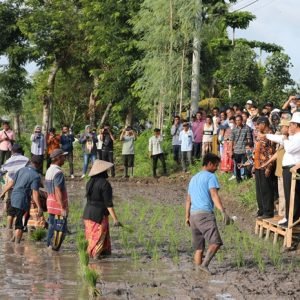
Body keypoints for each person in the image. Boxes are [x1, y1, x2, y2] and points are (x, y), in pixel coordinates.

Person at [185, 153, 230, 274]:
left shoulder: (193, 178)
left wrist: (187, 216)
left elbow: (188, 200)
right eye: (216, 165)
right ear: (209, 164)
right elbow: (214, 195)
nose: (216, 168)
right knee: (216, 242)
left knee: (199, 248)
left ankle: (198, 274)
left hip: (193, 216)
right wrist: (223, 211)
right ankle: (204, 265)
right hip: (204, 215)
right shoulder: (211, 177)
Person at [264, 112, 300, 225]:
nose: (290, 127)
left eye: (291, 124)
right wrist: (266, 136)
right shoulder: (293, 137)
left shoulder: (298, 138)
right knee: (288, 194)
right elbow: (281, 139)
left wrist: (284, 138)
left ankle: (292, 218)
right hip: (287, 169)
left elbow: (289, 148)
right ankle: (288, 217)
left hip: (293, 169)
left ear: (296, 125)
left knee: (293, 195)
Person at [83, 160, 121, 258]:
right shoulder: (105, 184)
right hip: (99, 216)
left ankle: (90, 257)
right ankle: (96, 259)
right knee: (98, 238)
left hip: (88, 214)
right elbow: (108, 204)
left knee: (90, 238)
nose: (107, 172)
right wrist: (115, 219)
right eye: (106, 170)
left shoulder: (89, 183)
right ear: (102, 172)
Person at [1, 156, 42, 243]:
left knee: (15, 217)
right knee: (20, 225)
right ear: (39, 165)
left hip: (13, 197)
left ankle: (12, 239)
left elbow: (11, 183)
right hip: (22, 200)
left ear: (31, 162)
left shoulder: (21, 169)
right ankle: (17, 246)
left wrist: (3, 192)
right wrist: (39, 207)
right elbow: (35, 193)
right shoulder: (36, 176)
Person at [0, 144, 29, 230]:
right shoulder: (26, 160)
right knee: (20, 211)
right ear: (21, 151)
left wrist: (3, 183)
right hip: (24, 189)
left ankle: (9, 231)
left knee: (10, 212)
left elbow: (1, 172)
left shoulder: (9, 161)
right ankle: (19, 230)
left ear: (12, 151)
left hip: (11, 189)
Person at [45, 149, 69, 250]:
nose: (65, 158)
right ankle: (54, 249)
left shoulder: (49, 170)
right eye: (63, 156)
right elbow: (58, 190)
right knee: (60, 229)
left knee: (51, 226)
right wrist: (62, 207)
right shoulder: (58, 172)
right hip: (57, 204)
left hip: (50, 202)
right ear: (58, 158)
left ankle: (49, 246)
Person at [254, 117, 276, 218]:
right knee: (259, 190)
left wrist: (269, 167)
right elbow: (257, 150)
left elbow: (272, 152)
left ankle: (268, 211)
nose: (257, 126)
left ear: (264, 124)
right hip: (258, 165)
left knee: (266, 189)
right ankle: (261, 210)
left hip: (265, 166)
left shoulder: (270, 135)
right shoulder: (259, 134)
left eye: (258, 124)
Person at [230, 115, 252, 183]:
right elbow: (231, 141)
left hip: (244, 150)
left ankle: (247, 177)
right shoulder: (233, 129)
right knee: (237, 166)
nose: (237, 121)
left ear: (242, 120)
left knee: (246, 165)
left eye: (239, 120)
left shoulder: (247, 128)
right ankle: (238, 179)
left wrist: (248, 149)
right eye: (236, 120)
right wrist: (231, 151)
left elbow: (249, 139)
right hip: (236, 150)